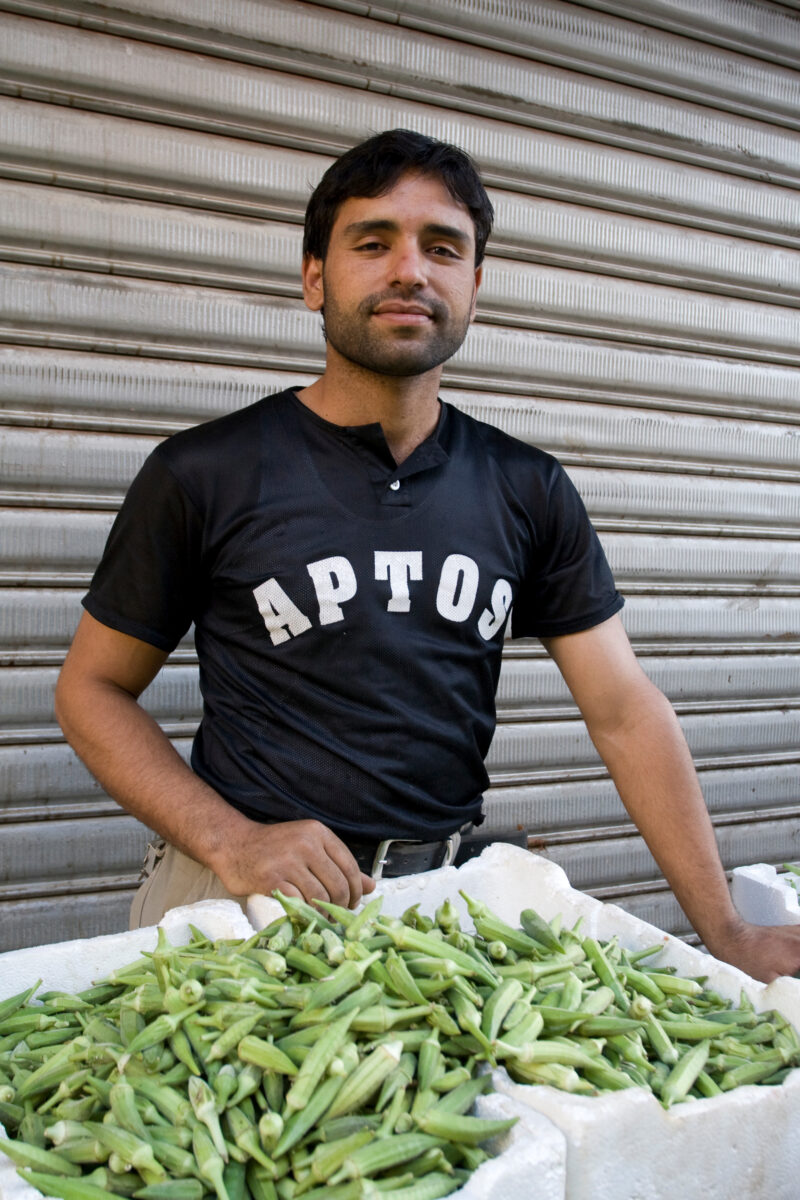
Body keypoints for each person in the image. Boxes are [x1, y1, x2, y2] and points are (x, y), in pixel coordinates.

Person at [56, 128, 800, 982]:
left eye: (441, 248)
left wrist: (728, 929)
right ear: (313, 280)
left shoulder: (528, 487)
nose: (409, 269)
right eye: (372, 243)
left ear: (474, 288)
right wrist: (233, 839)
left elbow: (625, 710)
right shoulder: (205, 472)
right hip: (235, 896)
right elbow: (90, 689)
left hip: (438, 906)